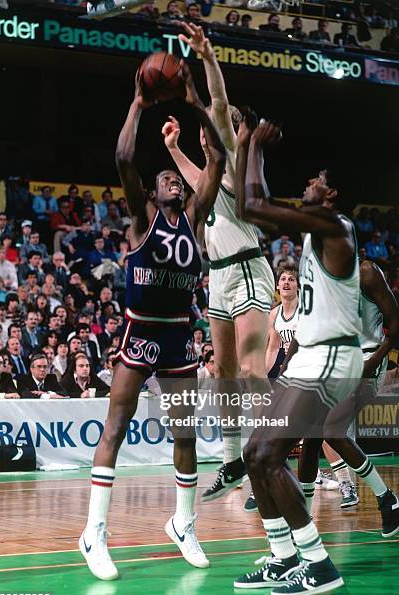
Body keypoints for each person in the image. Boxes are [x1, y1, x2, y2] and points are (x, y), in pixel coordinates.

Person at [79, 60, 226, 580]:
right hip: (141, 331)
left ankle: (184, 523)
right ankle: (93, 532)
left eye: (175, 179)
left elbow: (219, 156)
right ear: (149, 192)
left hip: (179, 338)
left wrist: (191, 97)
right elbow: (122, 156)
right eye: (163, 178)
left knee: (184, 435)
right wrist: (140, 105)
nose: (171, 180)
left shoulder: (194, 221)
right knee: (116, 426)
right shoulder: (141, 220)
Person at [234, 117, 363, 595]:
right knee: (254, 453)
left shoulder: (332, 225)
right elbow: (259, 207)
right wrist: (252, 151)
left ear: (330, 197)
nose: (309, 184)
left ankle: (318, 562)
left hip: (331, 356)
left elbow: (252, 204)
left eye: (317, 182)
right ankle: (284, 557)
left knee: (269, 454)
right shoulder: (314, 232)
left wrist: (253, 147)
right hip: (311, 356)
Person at [166, 22, 274, 501]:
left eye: (224, 118)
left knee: (253, 373)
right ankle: (233, 460)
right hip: (218, 277)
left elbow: (217, 99)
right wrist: (171, 148)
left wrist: (208, 58)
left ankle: (272, 451)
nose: (217, 121)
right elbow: (192, 178)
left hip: (249, 267)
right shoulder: (209, 174)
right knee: (225, 375)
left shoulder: (232, 155)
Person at [299, 260, 399, 533]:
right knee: (310, 438)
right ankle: (303, 522)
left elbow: (395, 323)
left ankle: (386, 497)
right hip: (333, 363)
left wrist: (375, 360)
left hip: (368, 360)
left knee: (331, 429)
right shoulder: (317, 277)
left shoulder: (367, 272)